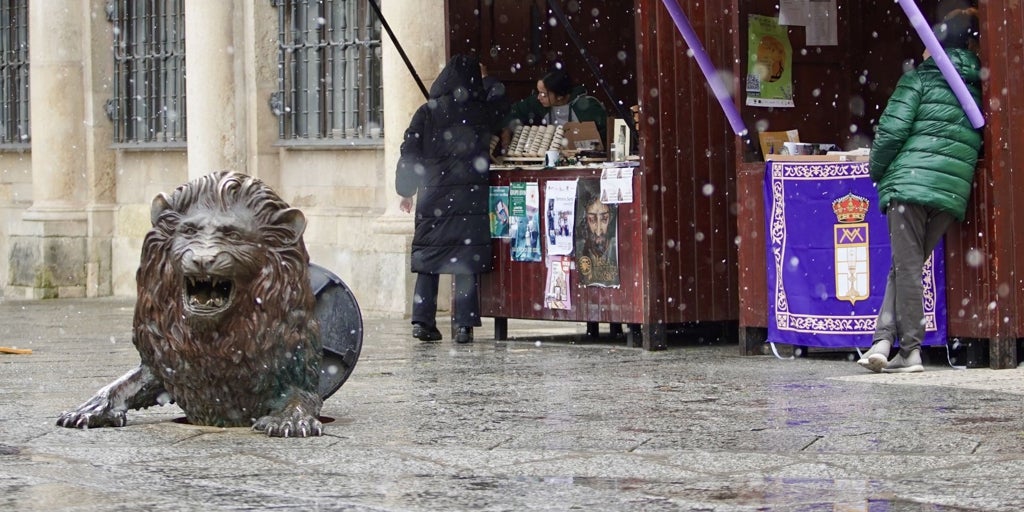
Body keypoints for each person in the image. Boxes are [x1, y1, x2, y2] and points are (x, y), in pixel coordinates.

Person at [857, 9, 982, 373]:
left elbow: (891, 133)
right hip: (950, 191)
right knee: (905, 267)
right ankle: (884, 343)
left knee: (907, 268)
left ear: (936, 46)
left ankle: (910, 350)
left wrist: (877, 171)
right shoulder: (976, 82)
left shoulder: (921, 79)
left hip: (910, 185)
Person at [396, 54, 495, 344]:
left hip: (433, 196)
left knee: (429, 258)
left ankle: (422, 321)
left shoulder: (426, 113)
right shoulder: (480, 114)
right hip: (469, 198)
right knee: (465, 260)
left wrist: (406, 190)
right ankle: (464, 324)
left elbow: (409, 153)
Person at [499, 68, 608, 151]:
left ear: (560, 96)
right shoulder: (538, 102)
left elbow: (606, 137)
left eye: (544, 94)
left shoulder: (587, 107)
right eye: (538, 92)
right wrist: (507, 131)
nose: (539, 97)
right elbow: (513, 112)